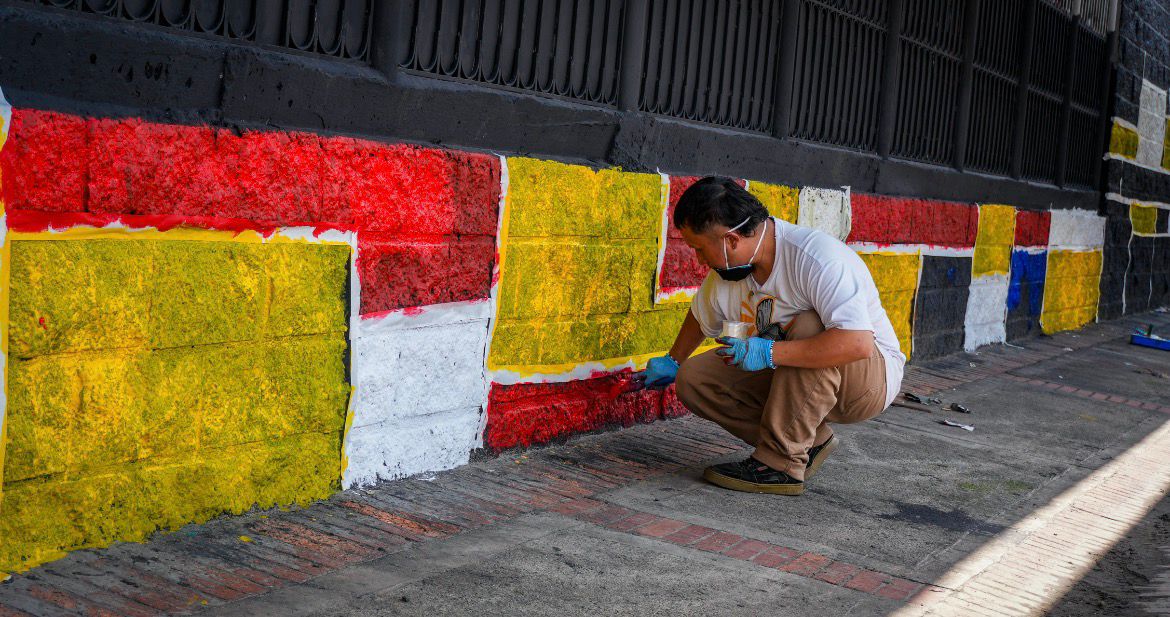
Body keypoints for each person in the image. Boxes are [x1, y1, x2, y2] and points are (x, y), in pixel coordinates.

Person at [639, 177, 905, 495]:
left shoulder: (816, 258)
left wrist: (769, 354)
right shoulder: (729, 272)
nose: (698, 260)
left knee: (809, 324)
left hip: (867, 382)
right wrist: (673, 360)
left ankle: (780, 463)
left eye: (699, 248)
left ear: (731, 240)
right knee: (694, 380)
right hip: (800, 375)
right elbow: (700, 316)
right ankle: (812, 441)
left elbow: (857, 343)